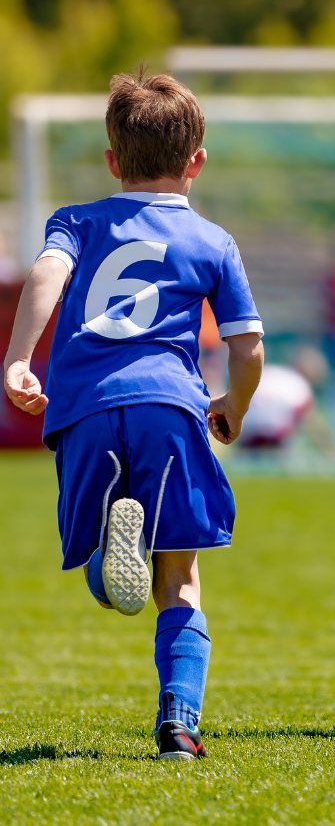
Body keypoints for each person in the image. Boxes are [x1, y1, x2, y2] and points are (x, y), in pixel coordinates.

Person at [3, 73, 264, 760]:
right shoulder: (212, 240)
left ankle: (104, 564)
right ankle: (179, 723)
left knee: (104, 569)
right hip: (169, 407)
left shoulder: (77, 222)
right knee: (180, 579)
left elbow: (46, 278)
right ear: (197, 161)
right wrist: (234, 405)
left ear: (112, 161)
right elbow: (248, 346)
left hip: (85, 407)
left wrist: (19, 359)